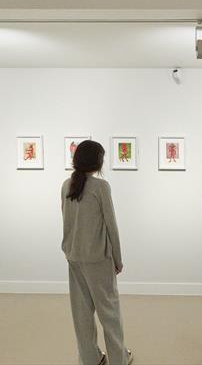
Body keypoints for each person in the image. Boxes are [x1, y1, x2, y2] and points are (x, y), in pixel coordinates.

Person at [61, 140, 133, 365]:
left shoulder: (66, 184)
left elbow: (67, 221)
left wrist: (68, 249)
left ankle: (91, 359)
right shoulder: (101, 187)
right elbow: (111, 225)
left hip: (74, 256)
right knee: (109, 312)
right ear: (97, 161)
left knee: (81, 312)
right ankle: (119, 359)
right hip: (98, 259)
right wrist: (118, 259)